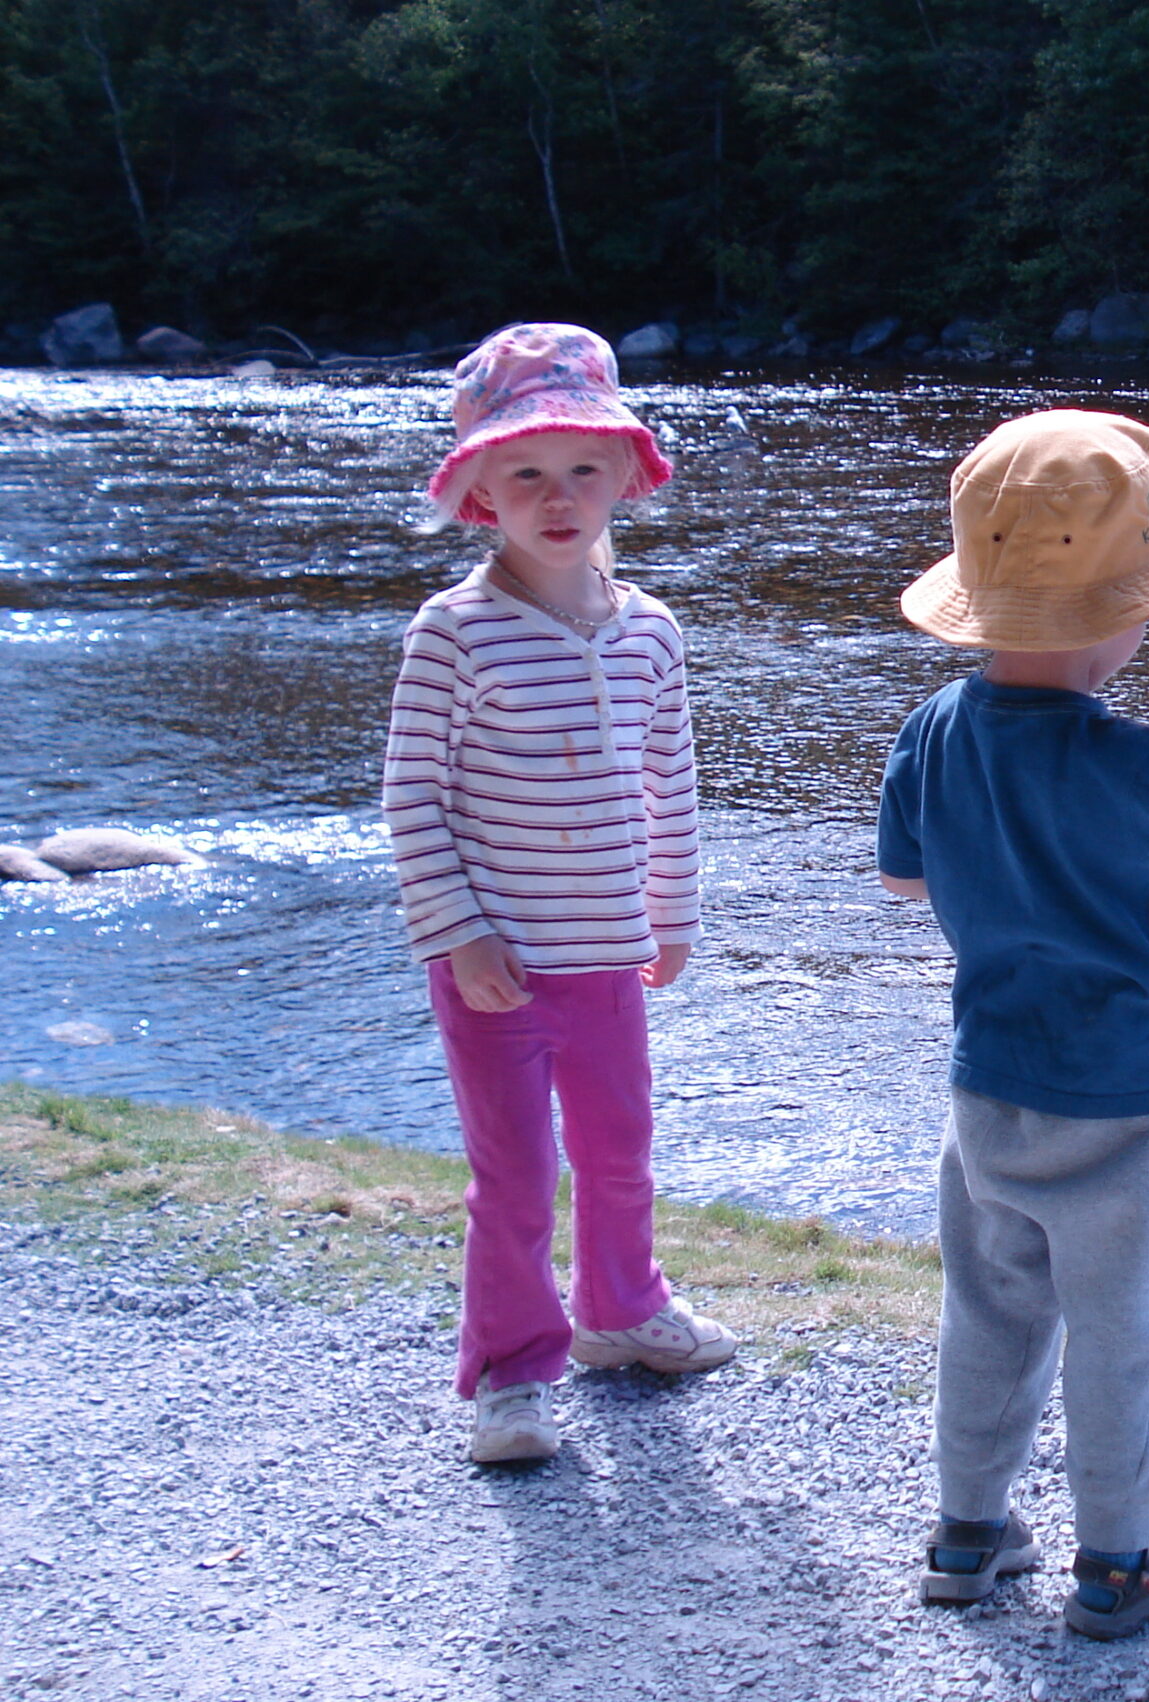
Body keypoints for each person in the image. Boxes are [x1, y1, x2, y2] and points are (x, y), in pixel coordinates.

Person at [876, 408, 1149, 1638]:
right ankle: (1117, 1563)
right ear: (1131, 620)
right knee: (1132, 1333)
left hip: (990, 1082)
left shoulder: (931, 732)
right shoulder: (1132, 764)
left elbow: (907, 881)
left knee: (993, 1306)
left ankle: (968, 1531)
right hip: (1127, 1097)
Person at [383, 322, 735, 1466]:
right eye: (525, 470)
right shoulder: (454, 633)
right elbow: (413, 803)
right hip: (497, 962)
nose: (558, 494)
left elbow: (669, 784)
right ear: (479, 488)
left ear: (628, 476)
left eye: (585, 468)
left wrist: (673, 914)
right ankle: (513, 1371)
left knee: (622, 1145)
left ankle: (622, 1313)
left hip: (607, 951)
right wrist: (462, 929)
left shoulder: (650, 633)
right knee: (518, 1173)